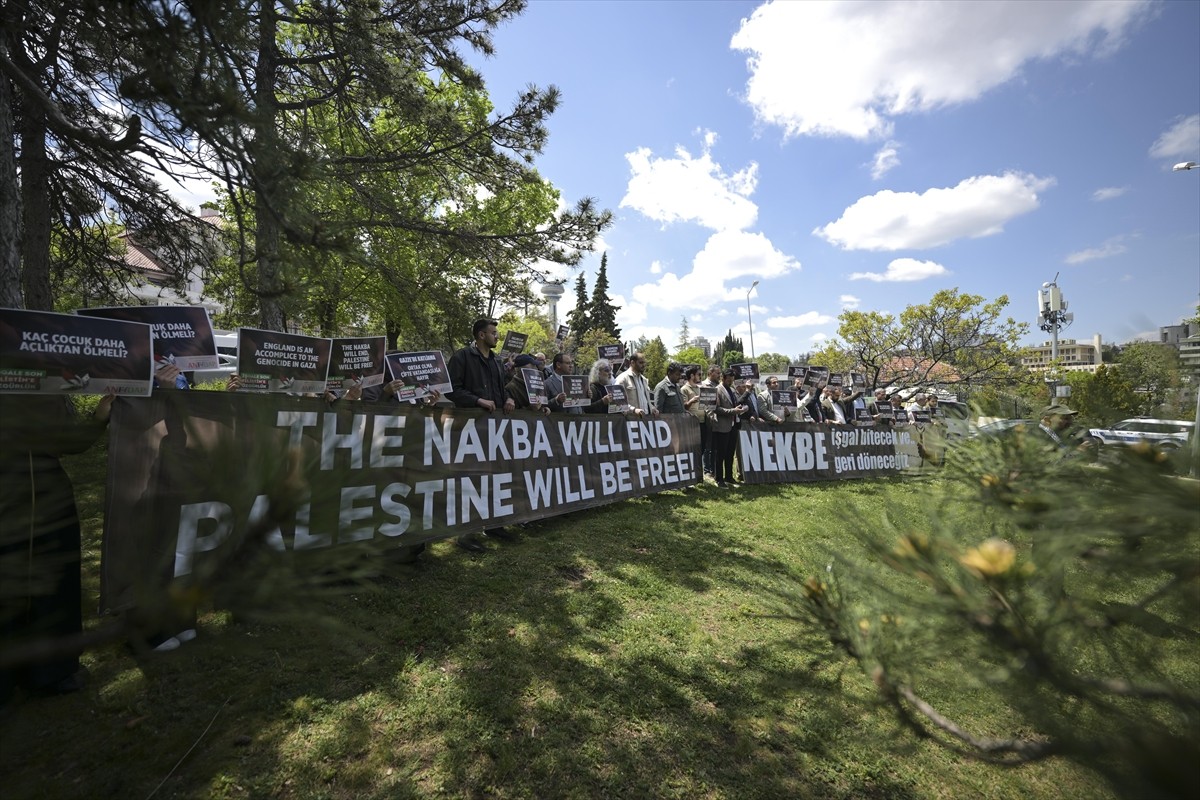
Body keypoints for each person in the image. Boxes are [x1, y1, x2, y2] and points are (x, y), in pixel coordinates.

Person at [1, 391, 113, 701]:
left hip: (50, 505)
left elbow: (68, 442)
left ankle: (53, 671)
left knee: (55, 584)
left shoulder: (48, 390)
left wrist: (100, 416)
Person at [446, 318, 515, 552]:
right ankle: (466, 533)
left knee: (495, 476)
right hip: (469, 428)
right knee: (471, 479)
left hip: (493, 429)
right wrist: (476, 400)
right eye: (493, 333)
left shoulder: (497, 361)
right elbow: (451, 389)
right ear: (481, 335)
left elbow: (501, 388)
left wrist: (508, 398)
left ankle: (494, 524)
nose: (497, 336)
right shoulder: (462, 357)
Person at [708, 368, 746, 488]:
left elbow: (733, 404)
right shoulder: (717, 390)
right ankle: (719, 479)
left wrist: (738, 408)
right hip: (721, 426)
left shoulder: (732, 390)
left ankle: (729, 477)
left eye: (732, 380)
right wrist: (733, 411)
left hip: (732, 425)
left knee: (730, 453)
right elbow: (715, 408)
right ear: (723, 378)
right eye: (729, 380)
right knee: (720, 454)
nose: (731, 382)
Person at [615, 351, 656, 418]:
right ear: (632, 363)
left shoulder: (644, 380)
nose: (643, 365)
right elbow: (617, 402)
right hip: (629, 422)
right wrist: (633, 410)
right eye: (640, 362)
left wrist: (653, 408)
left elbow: (646, 401)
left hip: (645, 421)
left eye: (644, 362)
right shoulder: (622, 379)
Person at [699, 365, 722, 475]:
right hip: (708, 421)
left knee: (715, 447)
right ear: (710, 373)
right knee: (708, 446)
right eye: (717, 373)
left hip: (719, 421)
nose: (719, 375)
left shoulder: (719, 386)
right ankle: (707, 470)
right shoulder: (704, 385)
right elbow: (706, 405)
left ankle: (714, 469)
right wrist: (712, 416)